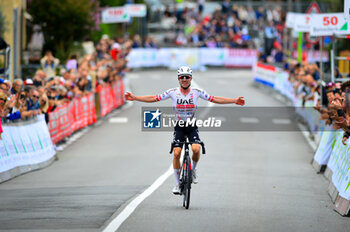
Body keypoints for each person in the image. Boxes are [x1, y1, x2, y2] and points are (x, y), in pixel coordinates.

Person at [125, 66, 245, 194]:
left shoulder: (197, 91)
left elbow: (214, 99)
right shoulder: (172, 92)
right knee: (176, 153)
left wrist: (234, 100)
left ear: (191, 78)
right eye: (182, 77)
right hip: (179, 127)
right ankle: (177, 184)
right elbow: (154, 98)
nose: (184, 79)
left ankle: (193, 170)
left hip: (192, 125)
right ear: (178, 79)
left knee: (196, 149)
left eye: (187, 77)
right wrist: (135, 97)